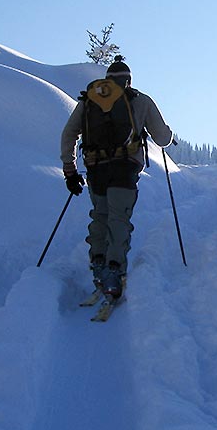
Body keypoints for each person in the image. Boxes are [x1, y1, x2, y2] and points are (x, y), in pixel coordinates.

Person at [60, 59, 173, 300]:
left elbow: (69, 133)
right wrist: (169, 134)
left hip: (95, 168)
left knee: (100, 215)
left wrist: (69, 169)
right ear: (128, 80)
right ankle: (114, 272)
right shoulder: (140, 100)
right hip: (124, 168)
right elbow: (162, 138)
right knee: (118, 218)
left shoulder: (89, 100)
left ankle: (98, 266)